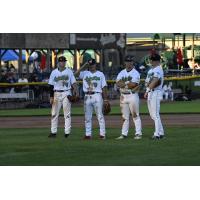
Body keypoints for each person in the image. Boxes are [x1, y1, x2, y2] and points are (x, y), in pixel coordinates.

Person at [48, 56, 79, 138]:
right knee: (54, 113)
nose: (62, 63)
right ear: (58, 63)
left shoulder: (69, 72)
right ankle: (53, 132)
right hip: (56, 94)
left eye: (64, 61)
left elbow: (74, 83)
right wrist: (51, 97)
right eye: (61, 61)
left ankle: (67, 133)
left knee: (67, 114)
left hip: (66, 93)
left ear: (65, 62)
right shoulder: (54, 72)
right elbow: (51, 85)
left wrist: (76, 92)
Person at [78, 58, 109, 140]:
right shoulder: (85, 73)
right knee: (87, 117)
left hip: (97, 95)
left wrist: (105, 99)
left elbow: (104, 87)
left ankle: (102, 134)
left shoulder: (100, 74)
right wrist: (84, 65)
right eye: (90, 65)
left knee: (100, 116)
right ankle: (88, 134)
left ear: (96, 65)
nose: (91, 66)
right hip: (87, 96)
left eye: (93, 64)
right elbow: (75, 74)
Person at [115, 55, 142, 140]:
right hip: (123, 96)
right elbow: (118, 83)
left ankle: (138, 133)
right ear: (125, 62)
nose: (129, 63)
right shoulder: (121, 72)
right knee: (124, 117)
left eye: (130, 61)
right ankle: (124, 134)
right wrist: (127, 83)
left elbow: (133, 85)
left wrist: (124, 84)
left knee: (135, 115)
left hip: (132, 95)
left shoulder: (136, 73)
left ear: (132, 62)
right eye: (127, 61)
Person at [144, 54, 165, 139]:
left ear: (157, 61)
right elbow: (147, 82)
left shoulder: (159, 69)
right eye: (151, 60)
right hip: (150, 92)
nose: (151, 61)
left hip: (155, 92)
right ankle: (161, 132)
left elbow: (156, 81)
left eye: (152, 60)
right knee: (153, 115)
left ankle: (157, 134)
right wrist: (148, 88)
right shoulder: (150, 71)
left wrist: (148, 89)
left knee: (155, 114)